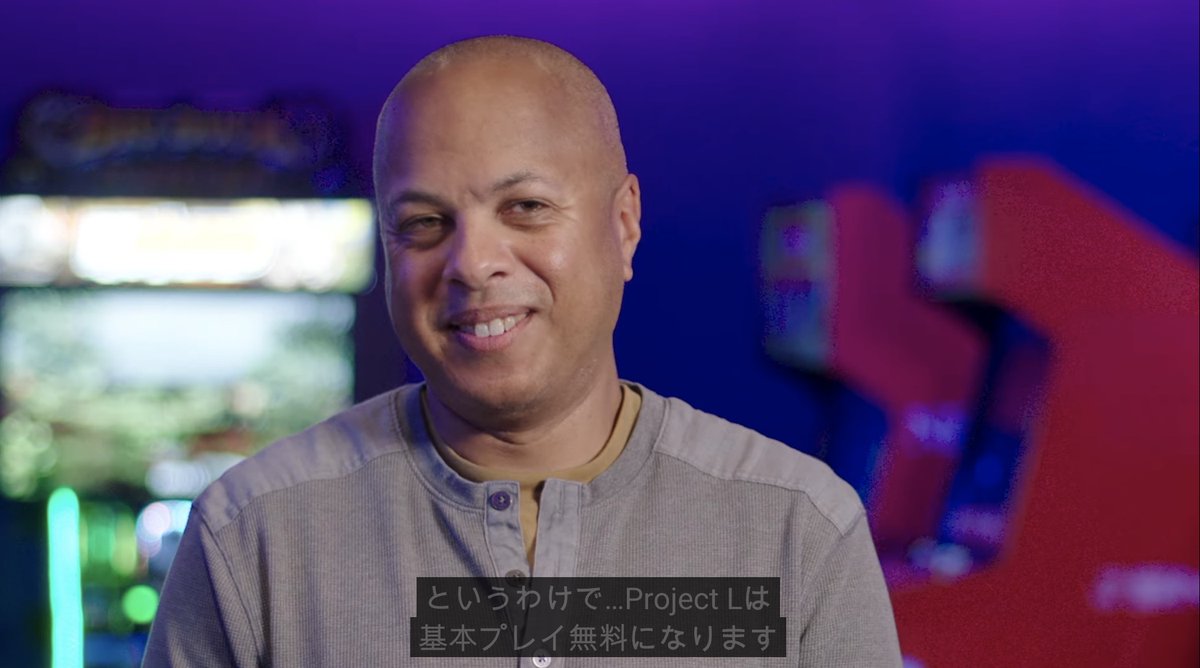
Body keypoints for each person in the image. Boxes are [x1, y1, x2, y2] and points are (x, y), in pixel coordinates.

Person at [143, 35, 901, 667]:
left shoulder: (798, 530)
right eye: (425, 223)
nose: (473, 264)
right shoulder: (251, 537)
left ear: (624, 224)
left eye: (526, 208)